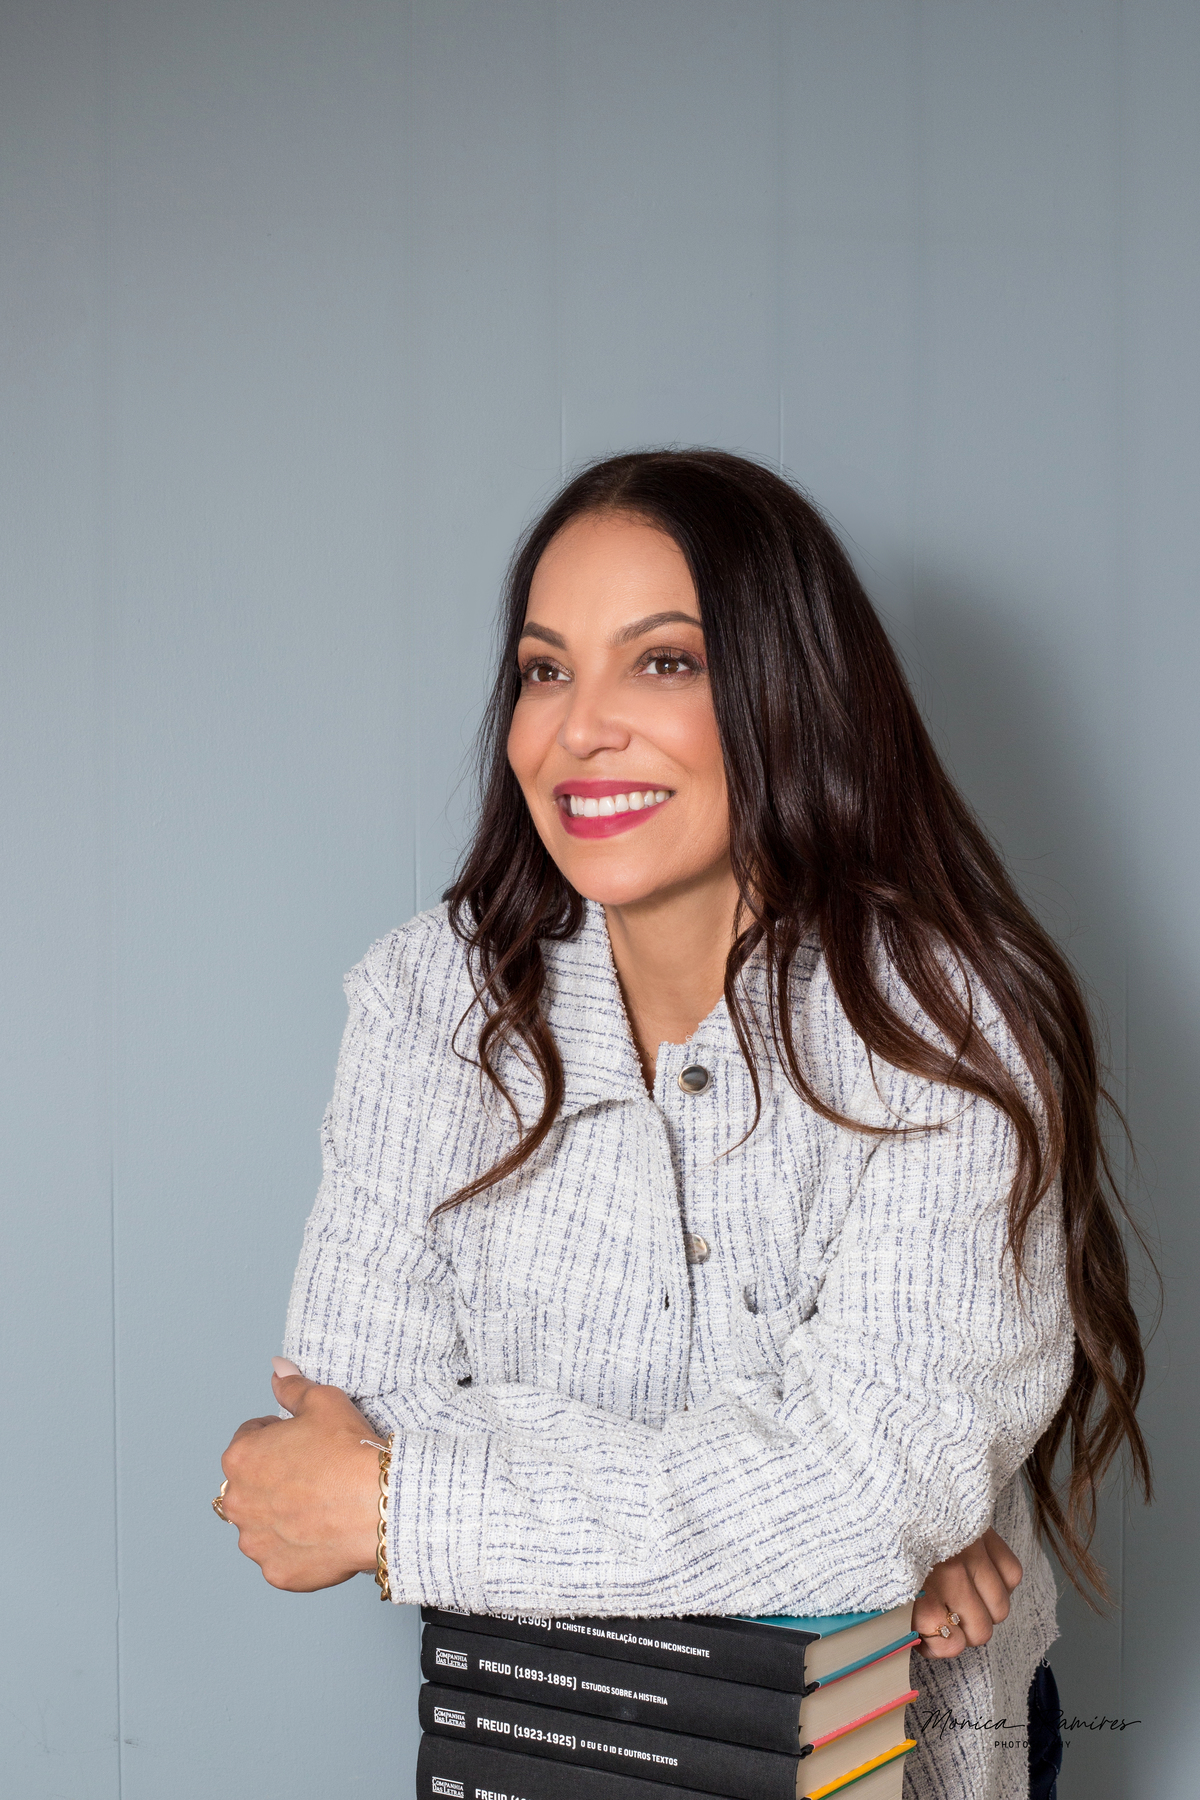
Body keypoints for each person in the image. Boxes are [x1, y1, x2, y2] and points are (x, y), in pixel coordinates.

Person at [217, 450, 1149, 1800]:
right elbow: (357, 1401)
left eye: (662, 662)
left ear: (789, 691)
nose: (579, 728)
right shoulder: (428, 1003)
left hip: (899, 1755)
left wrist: (405, 1504)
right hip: (548, 1742)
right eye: (546, 669)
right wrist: (858, 1533)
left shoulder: (944, 1029)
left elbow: (863, 1487)